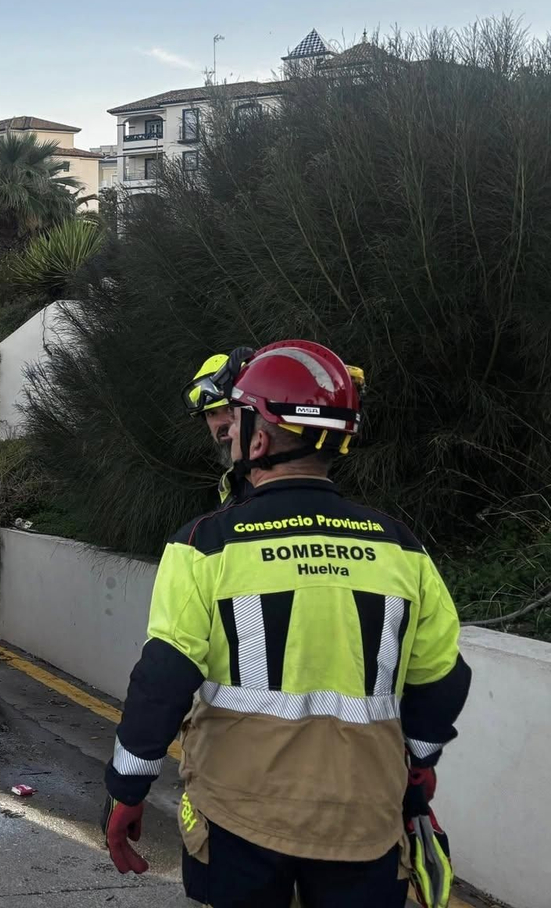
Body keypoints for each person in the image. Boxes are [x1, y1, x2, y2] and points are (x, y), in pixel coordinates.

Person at [103, 340, 470, 908]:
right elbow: (443, 679)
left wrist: (126, 788)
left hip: (237, 818)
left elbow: (164, 677)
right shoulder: (402, 548)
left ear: (258, 437)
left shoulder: (204, 544)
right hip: (365, 822)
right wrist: (418, 769)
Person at [184, 348, 256, 507]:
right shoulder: (233, 485)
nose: (222, 422)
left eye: (230, 408)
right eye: (211, 413)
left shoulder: (272, 476)